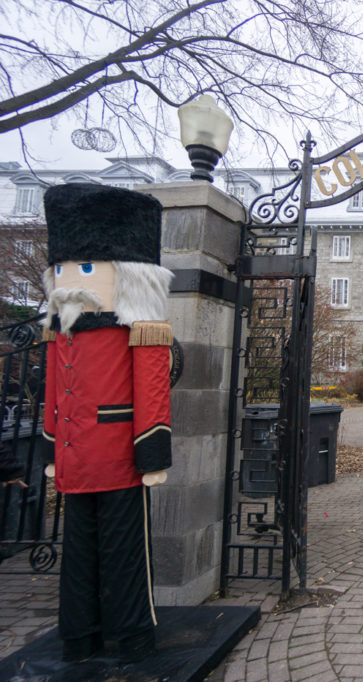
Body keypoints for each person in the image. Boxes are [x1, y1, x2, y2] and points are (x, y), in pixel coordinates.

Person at [40, 183, 174, 663]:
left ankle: (133, 634)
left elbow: (152, 390)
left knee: (123, 548)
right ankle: (78, 633)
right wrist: (50, 449)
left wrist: (153, 452)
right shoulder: (62, 333)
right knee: (77, 551)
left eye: (87, 268)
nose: (71, 279)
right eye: (64, 268)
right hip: (75, 459)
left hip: (119, 456)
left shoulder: (142, 328)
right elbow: (53, 395)